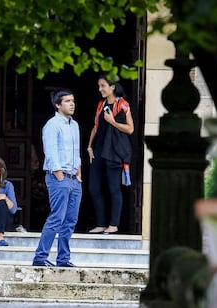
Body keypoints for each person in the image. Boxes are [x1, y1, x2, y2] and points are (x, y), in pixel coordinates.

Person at [32, 88, 82, 267]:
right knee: (57, 218)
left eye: (73, 101)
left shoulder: (74, 125)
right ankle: (40, 258)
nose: (72, 104)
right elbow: (51, 152)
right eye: (68, 101)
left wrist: (78, 173)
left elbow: (76, 152)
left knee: (70, 221)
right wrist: (59, 176)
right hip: (59, 178)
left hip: (74, 179)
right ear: (57, 105)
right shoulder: (52, 124)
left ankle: (63, 259)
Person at [87, 74, 134, 234]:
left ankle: (113, 225)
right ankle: (100, 223)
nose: (100, 89)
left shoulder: (123, 104)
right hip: (99, 149)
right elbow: (96, 126)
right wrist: (89, 146)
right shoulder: (101, 104)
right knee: (94, 187)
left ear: (112, 86)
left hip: (114, 151)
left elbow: (130, 129)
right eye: (99, 86)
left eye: (103, 86)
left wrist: (113, 121)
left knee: (114, 188)